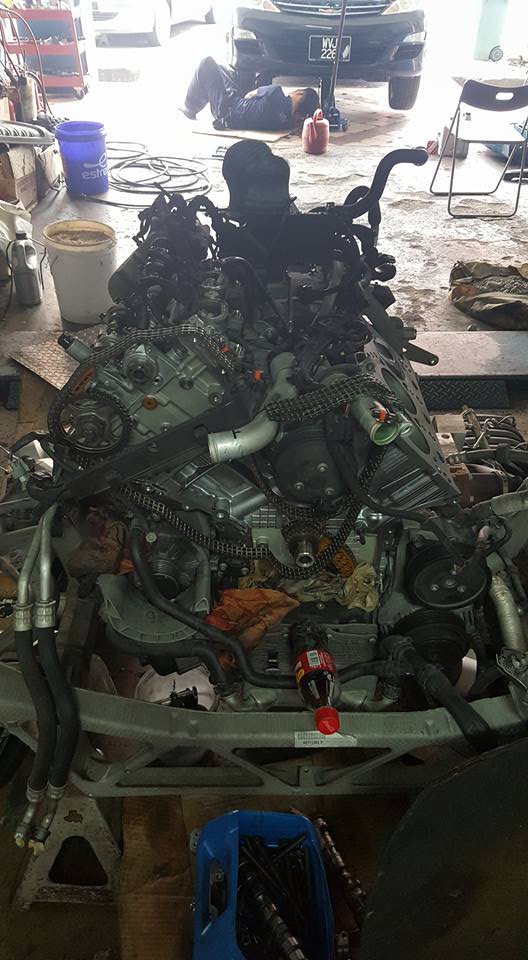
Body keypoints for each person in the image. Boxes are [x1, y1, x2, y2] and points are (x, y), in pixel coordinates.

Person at [182, 56, 319, 132]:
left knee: (207, 63)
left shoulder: (275, 92)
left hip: (227, 110)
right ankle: (200, 101)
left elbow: (248, 95)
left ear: (299, 93)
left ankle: (190, 108)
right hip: (232, 113)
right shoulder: (287, 124)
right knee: (220, 70)